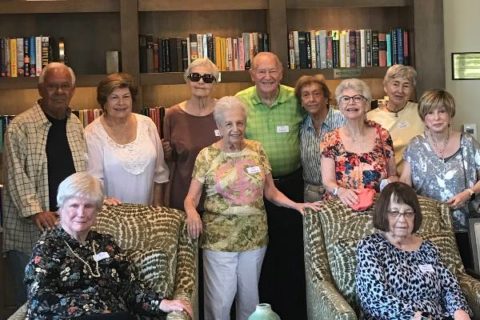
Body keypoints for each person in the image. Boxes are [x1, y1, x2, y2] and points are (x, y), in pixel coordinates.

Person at [183, 96, 321, 320]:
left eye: (240, 123)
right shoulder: (207, 156)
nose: (235, 129)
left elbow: (271, 192)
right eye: (228, 124)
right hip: (219, 240)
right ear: (218, 126)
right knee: (220, 303)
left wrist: (296, 205)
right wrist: (191, 212)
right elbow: (191, 198)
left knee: (250, 301)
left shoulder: (257, 149)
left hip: (255, 238)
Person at [24, 172, 192, 319]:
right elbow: (39, 300)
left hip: (117, 315)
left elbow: (130, 288)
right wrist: (93, 308)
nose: (81, 213)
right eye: (74, 205)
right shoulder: (48, 245)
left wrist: (162, 303)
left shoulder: (105, 243)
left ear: (97, 210)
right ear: (60, 209)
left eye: (88, 206)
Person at [2, 62, 87, 308]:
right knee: (29, 303)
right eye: (52, 86)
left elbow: (80, 173)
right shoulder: (20, 126)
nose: (59, 92)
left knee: (63, 302)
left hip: (67, 229)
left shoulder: (75, 124)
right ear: (41, 89)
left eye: (65, 86)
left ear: (73, 90)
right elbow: (15, 175)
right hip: (29, 233)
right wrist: (36, 211)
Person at [235, 52, 306, 319]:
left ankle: (291, 312)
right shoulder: (240, 102)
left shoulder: (295, 99)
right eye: (260, 72)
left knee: (290, 254)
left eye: (272, 71)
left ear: (281, 72)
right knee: (259, 254)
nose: (267, 77)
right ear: (252, 74)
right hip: (253, 191)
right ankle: (262, 312)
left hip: (291, 186)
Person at [356, 182, 472, 320]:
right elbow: (375, 301)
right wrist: (418, 317)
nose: (402, 220)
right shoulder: (370, 247)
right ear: (383, 213)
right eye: (394, 212)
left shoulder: (428, 248)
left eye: (408, 213)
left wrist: (460, 312)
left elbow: (449, 286)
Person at [401, 89, 480, 270]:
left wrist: (469, 193)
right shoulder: (415, 145)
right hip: (429, 227)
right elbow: (405, 181)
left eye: (441, 111)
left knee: (469, 277)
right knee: (435, 277)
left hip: (465, 226)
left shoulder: (467, 142)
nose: (436, 118)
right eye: (430, 112)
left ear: (450, 114)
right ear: (423, 117)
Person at [85, 73, 169, 206]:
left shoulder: (147, 124)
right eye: (114, 97)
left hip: (147, 214)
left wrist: (157, 207)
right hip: (112, 216)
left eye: (126, 96)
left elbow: (160, 173)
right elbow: (94, 181)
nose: (121, 103)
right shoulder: (92, 133)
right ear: (104, 102)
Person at [321, 78, 397, 208]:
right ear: (339, 105)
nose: (351, 103)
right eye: (345, 98)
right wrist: (340, 191)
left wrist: (388, 183)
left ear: (366, 104)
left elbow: (394, 176)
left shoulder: (382, 135)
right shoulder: (330, 139)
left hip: (377, 208)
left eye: (357, 98)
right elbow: (328, 181)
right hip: (341, 208)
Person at [163, 57, 220, 210]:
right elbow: (168, 159)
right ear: (187, 80)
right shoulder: (173, 115)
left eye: (207, 78)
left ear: (215, 82)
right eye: (195, 77)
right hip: (184, 195)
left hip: (220, 197)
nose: (201, 82)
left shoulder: (225, 111)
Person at [295, 74, 345, 202]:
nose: (311, 99)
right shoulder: (301, 126)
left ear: (326, 98)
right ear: (301, 102)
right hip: (310, 193)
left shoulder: (343, 120)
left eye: (316, 94)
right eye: (306, 95)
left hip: (340, 193)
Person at [367, 64, 424, 173]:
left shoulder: (422, 112)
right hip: (385, 180)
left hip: (417, 177)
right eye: (395, 84)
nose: (400, 90)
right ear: (385, 87)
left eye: (406, 85)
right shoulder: (370, 118)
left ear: (412, 89)